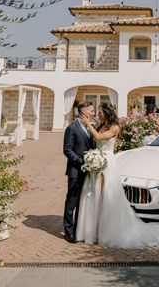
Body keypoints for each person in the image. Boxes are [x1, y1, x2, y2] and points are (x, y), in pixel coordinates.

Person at [76, 103, 159, 248]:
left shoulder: (114, 127)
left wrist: (88, 124)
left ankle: (106, 231)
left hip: (107, 164)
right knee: (94, 195)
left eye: (100, 112)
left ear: (107, 113)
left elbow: (100, 138)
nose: (98, 114)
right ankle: (93, 230)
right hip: (97, 162)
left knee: (105, 195)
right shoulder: (101, 125)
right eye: (98, 112)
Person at [63, 101, 96, 243]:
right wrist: (81, 162)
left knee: (83, 202)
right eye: (91, 110)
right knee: (72, 202)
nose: (93, 113)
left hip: (88, 172)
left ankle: (78, 230)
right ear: (84, 112)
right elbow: (67, 150)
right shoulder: (72, 128)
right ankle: (68, 232)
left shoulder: (90, 127)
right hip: (75, 171)